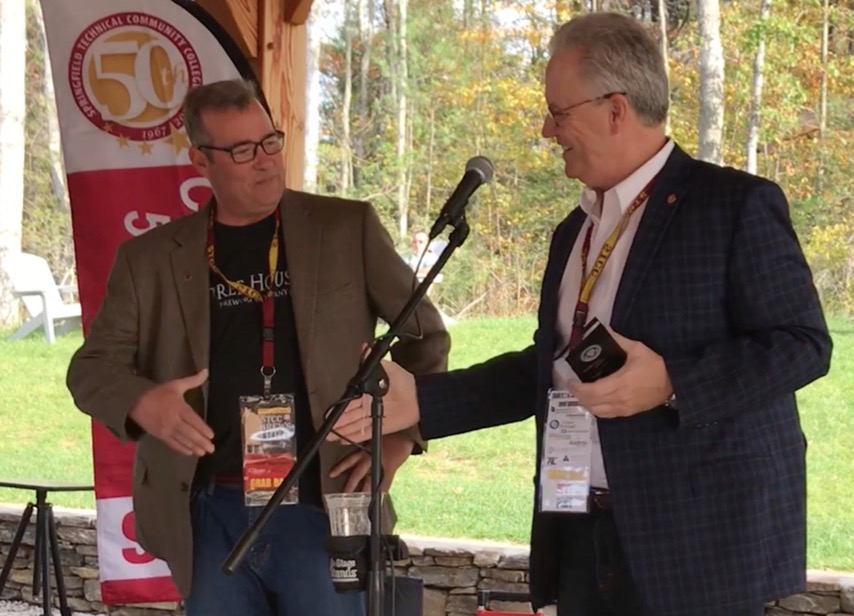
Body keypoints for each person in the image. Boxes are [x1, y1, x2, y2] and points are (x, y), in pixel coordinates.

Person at [330, 12, 832, 616]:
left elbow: (804, 344)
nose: (547, 129)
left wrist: (673, 382)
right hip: (581, 535)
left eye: (558, 112)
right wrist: (423, 404)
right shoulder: (575, 232)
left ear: (615, 109)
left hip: (696, 550)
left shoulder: (732, 206)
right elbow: (548, 369)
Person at [66, 78, 450, 616]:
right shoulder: (149, 259)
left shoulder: (345, 228)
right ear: (201, 160)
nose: (266, 162)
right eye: (243, 151)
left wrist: (400, 439)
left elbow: (425, 337)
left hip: (325, 500)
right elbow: (92, 369)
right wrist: (142, 403)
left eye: (270, 141)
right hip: (208, 509)